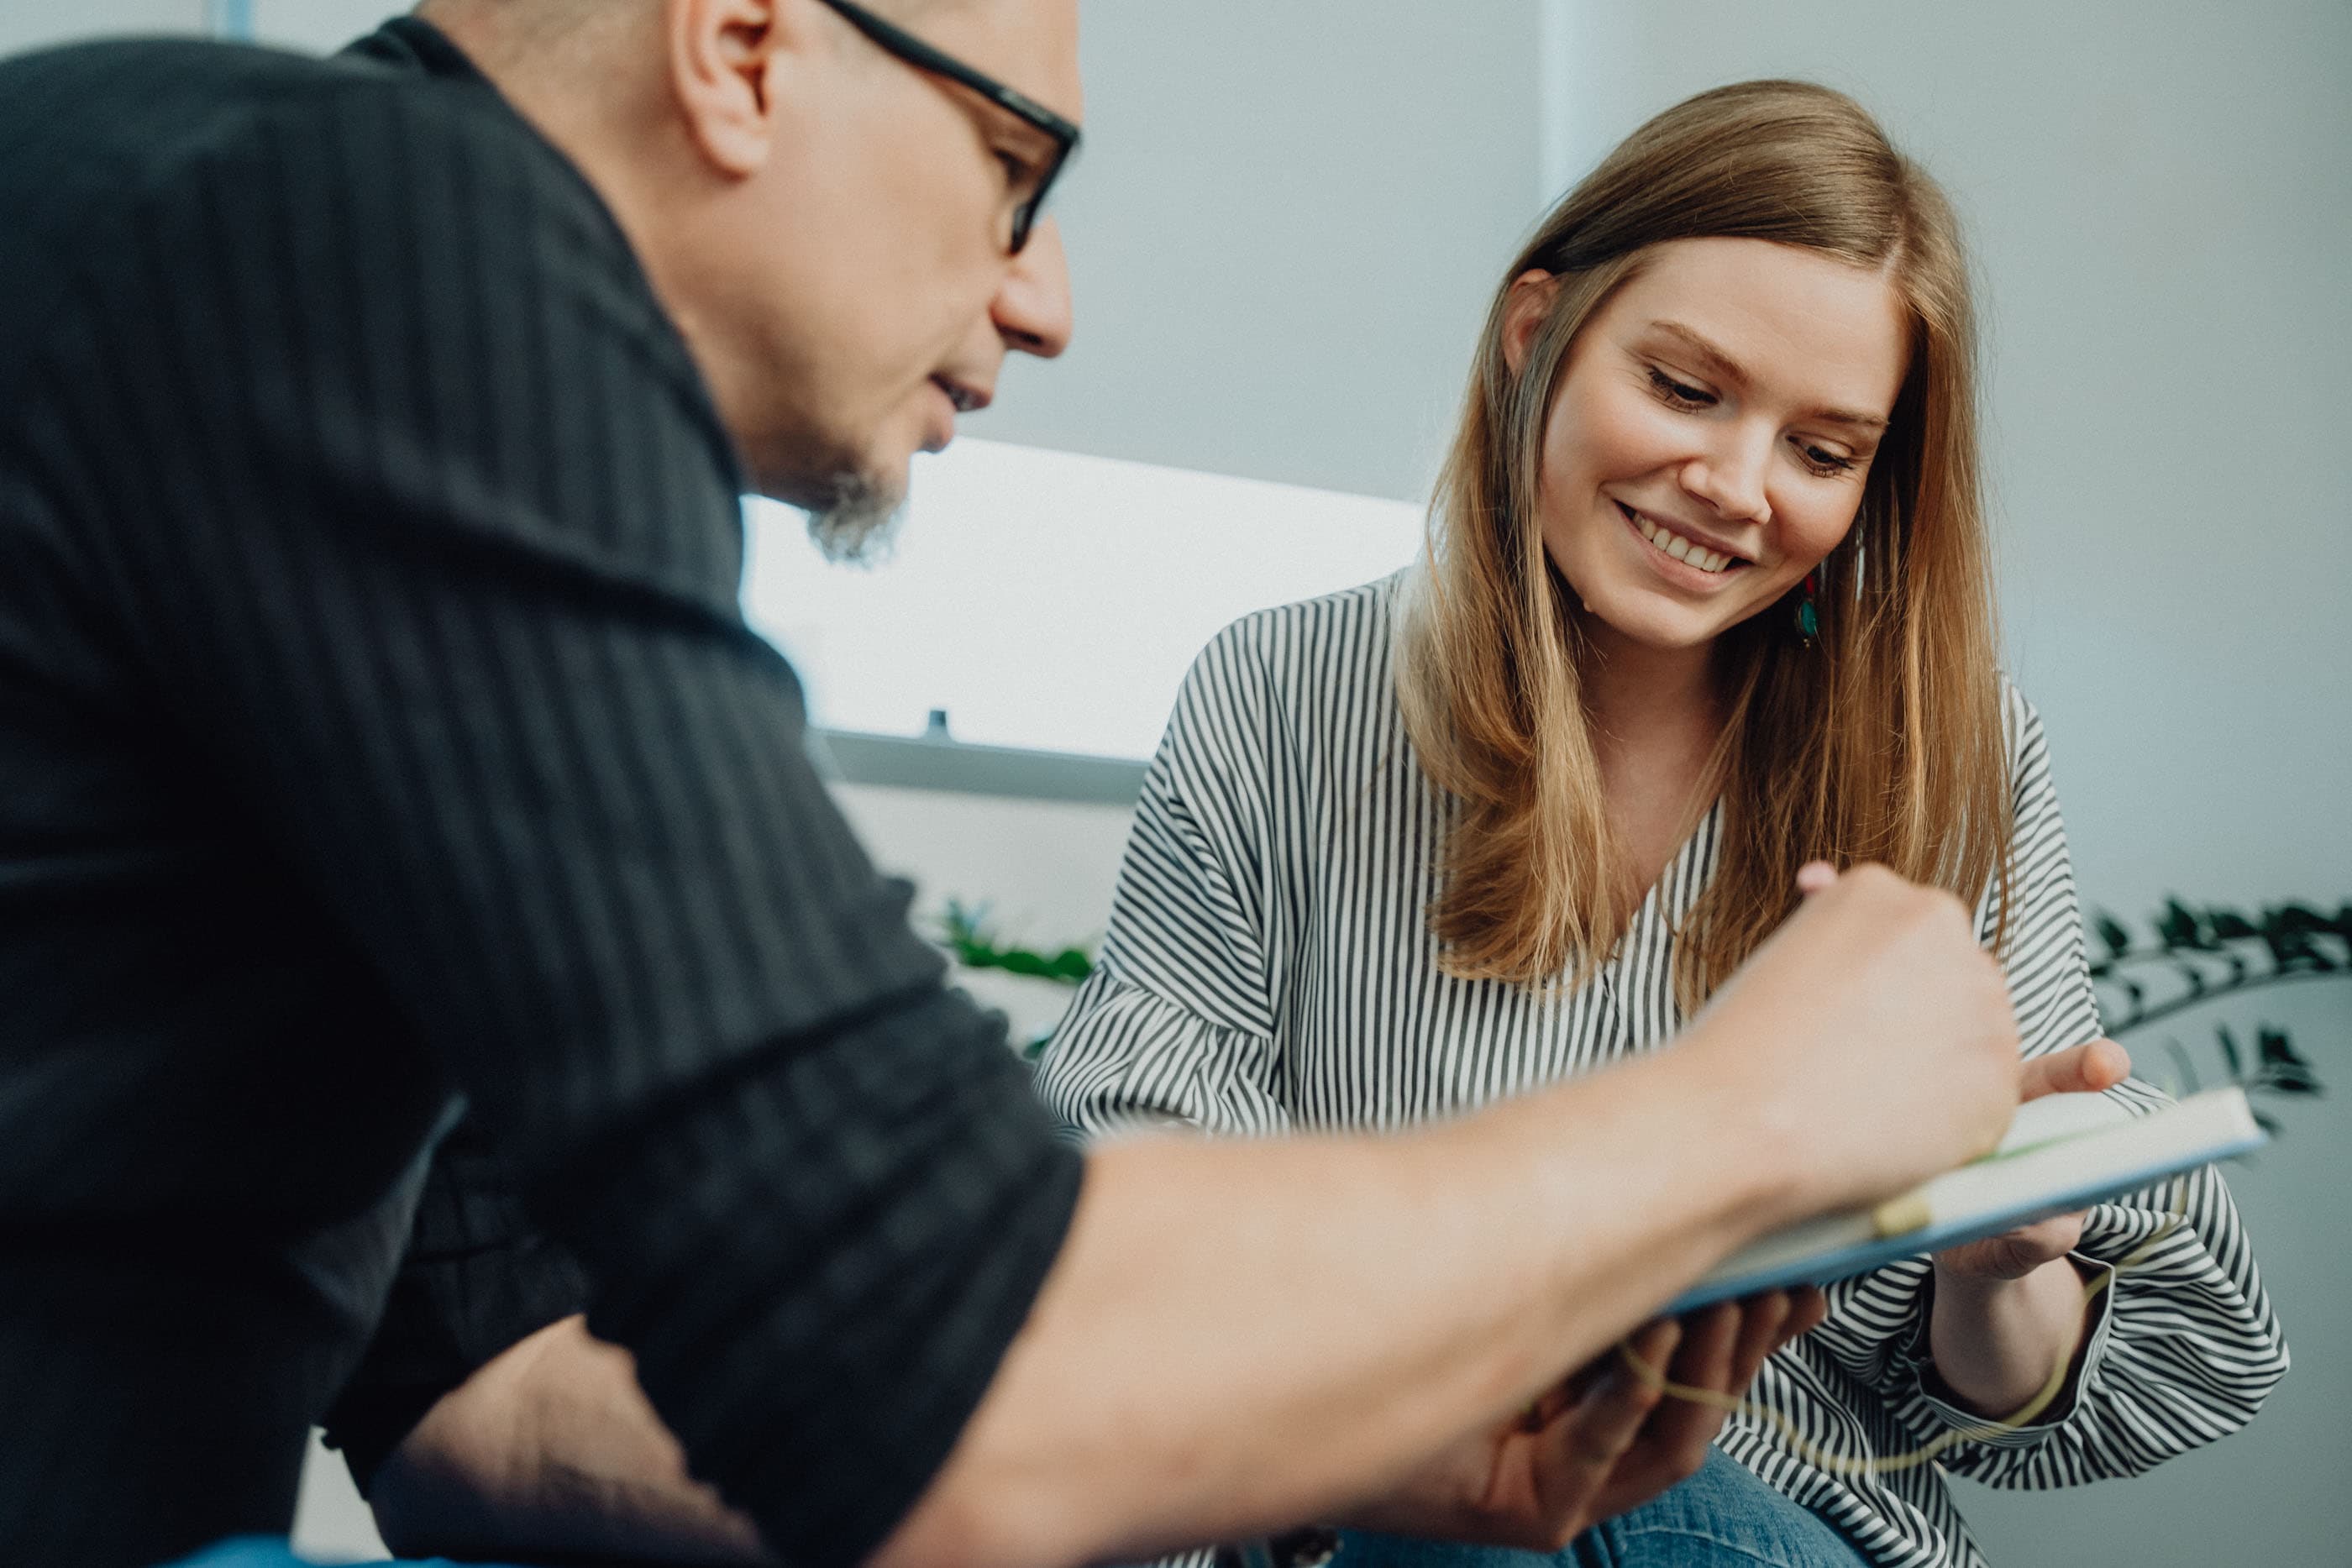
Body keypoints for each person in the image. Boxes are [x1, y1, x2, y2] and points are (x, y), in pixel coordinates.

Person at [0, 3, 2036, 1565]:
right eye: (1010, 168)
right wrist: (1745, 1109)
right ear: (738, 47)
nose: (1043, 297)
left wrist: (1317, 1424)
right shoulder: (393, 267)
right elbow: (931, 1344)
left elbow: (493, 1390)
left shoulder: (252, 282)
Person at [1033, 79, 2288, 1568]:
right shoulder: (1282, 693)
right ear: (1534, 338)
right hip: (1373, 1504)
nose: (1737, 488)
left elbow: (1998, 1391)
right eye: (1687, 389)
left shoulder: (1948, 750)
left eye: (1823, 452)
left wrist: (1996, 1262)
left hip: (1769, 1517)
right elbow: (1140, 1210)